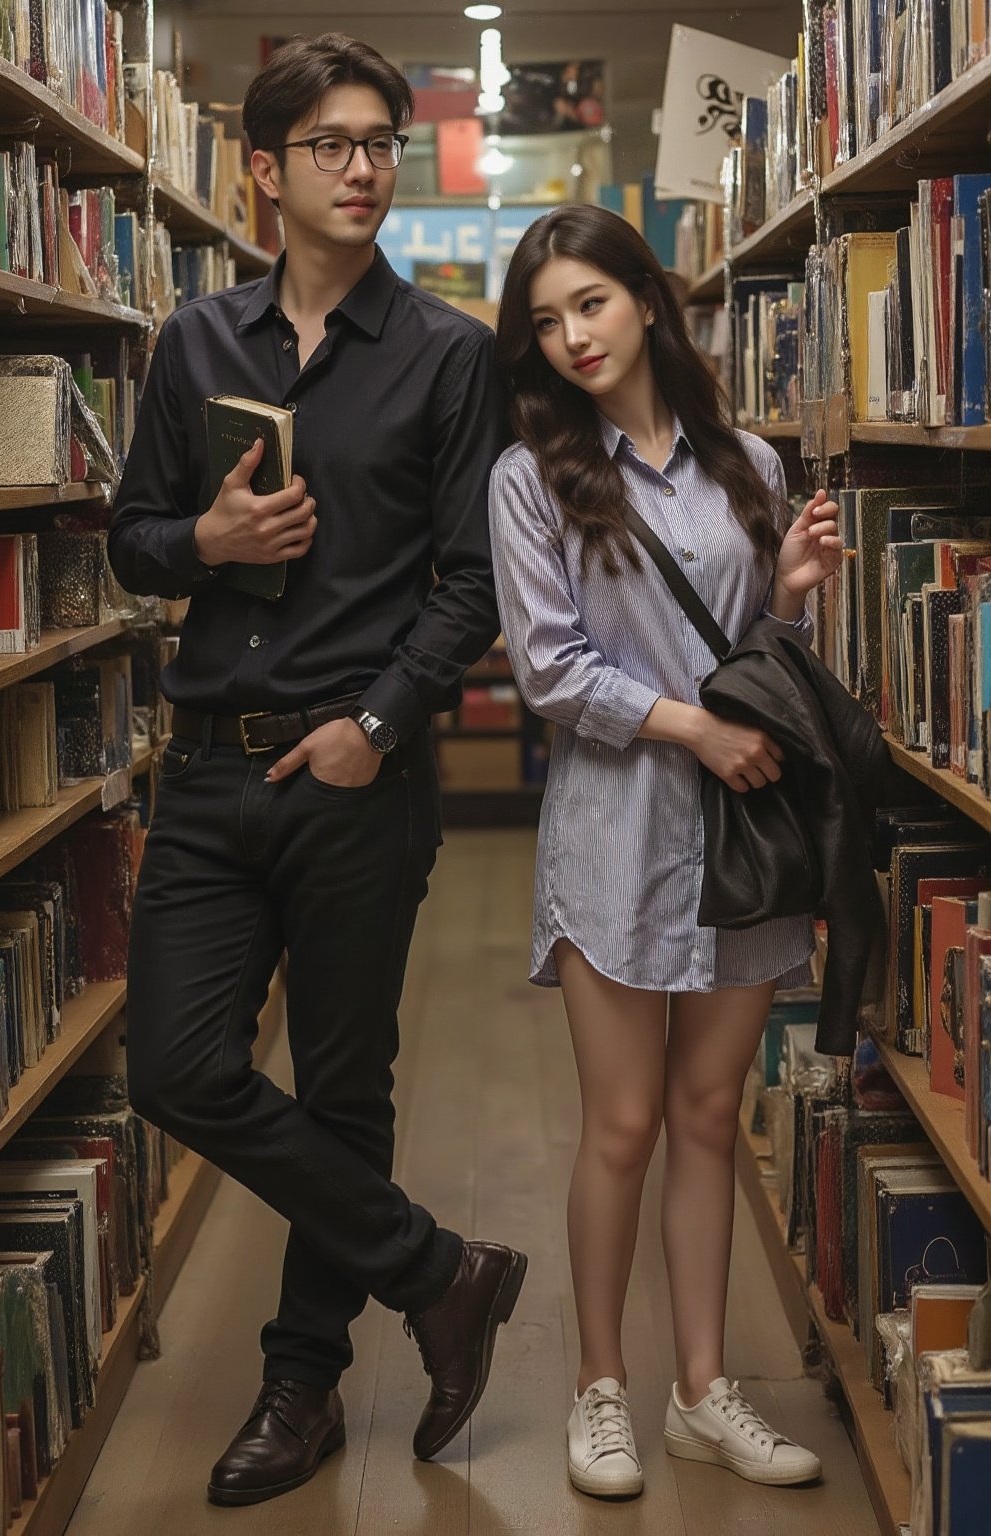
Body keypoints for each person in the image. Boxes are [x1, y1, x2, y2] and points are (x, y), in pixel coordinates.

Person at [108, 31, 526, 1509]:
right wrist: (203, 547)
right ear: (265, 171)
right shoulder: (193, 342)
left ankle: (301, 1381)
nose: (363, 168)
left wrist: (384, 722)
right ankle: (441, 1271)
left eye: (381, 144)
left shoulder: (450, 357)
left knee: (345, 1087)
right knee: (178, 1065)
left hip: (359, 775)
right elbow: (132, 535)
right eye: (334, 144)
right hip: (211, 770)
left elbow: (474, 582)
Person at [488, 204, 842, 1500]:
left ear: (645, 297)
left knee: (708, 1117)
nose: (571, 335)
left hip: (740, 834)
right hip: (615, 832)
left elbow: (760, 662)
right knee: (625, 1123)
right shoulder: (531, 475)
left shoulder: (743, 458)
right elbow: (548, 668)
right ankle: (600, 1391)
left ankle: (700, 1390)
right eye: (544, 320)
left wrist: (791, 598)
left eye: (589, 302)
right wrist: (688, 722)